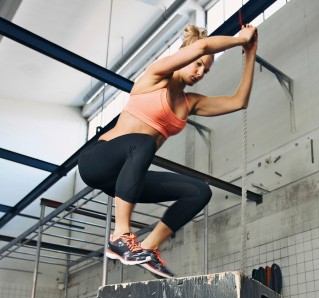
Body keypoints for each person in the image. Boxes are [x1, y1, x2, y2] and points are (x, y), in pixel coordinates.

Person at [78, 23, 258, 278]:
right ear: (186, 54)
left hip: (123, 178)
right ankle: (119, 236)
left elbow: (239, 101)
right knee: (143, 141)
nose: (200, 72)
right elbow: (204, 45)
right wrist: (240, 39)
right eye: (197, 63)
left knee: (199, 192)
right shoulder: (157, 75)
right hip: (97, 161)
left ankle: (149, 246)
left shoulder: (189, 103)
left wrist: (250, 52)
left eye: (205, 70)